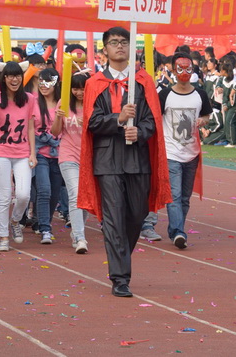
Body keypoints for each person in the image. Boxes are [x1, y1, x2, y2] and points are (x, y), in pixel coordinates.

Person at [78, 26, 170, 298]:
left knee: (136, 216)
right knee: (115, 218)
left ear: (131, 48)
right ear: (104, 49)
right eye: (113, 42)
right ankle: (120, 277)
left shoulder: (143, 82)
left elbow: (152, 121)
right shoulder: (94, 83)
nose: (119, 46)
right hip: (107, 161)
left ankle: (120, 257)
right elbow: (91, 122)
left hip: (138, 159)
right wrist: (117, 120)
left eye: (124, 42)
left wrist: (139, 131)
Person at [157, 53, 211, 249]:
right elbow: (155, 119)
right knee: (175, 195)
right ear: (173, 70)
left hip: (192, 152)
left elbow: (206, 115)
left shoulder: (200, 94)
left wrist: (202, 121)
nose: (185, 73)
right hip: (171, 152)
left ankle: (175, 229)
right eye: (180, 69)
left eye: (189, 69)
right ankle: (179, 232)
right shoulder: (164, 95)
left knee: (185, 197)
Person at [0, 61, 36, 252]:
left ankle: (15, 220)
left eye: (17, 75)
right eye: (9, 76)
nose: (14, 79)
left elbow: (31, 126)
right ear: (3, 78)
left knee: (24, 194)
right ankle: (3, 236)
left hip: (23, 151)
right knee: (5, 195)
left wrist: (33, 152)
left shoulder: (29, 99)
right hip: (1, 151)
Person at [51, 71, 90, 254]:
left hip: (89, 157)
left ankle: (77, 232)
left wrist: (88, 123)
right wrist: (59, 116)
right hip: (68, 155)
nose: (79, 92)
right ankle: (80, 237)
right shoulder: (64, 103)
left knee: (86, 199)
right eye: (75, 88)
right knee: (74, 194)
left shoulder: (95, 104)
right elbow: (55, 132)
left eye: (83, 88)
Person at [32, 68, 64, 245]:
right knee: (43, 189)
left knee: (55, 193)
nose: (44, 85)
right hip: (40, 153)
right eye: (41, 81)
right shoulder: (33, 101)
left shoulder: (63, 103)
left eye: (48, 82)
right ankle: (45, 228)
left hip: (59, 153)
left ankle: (44, 221)